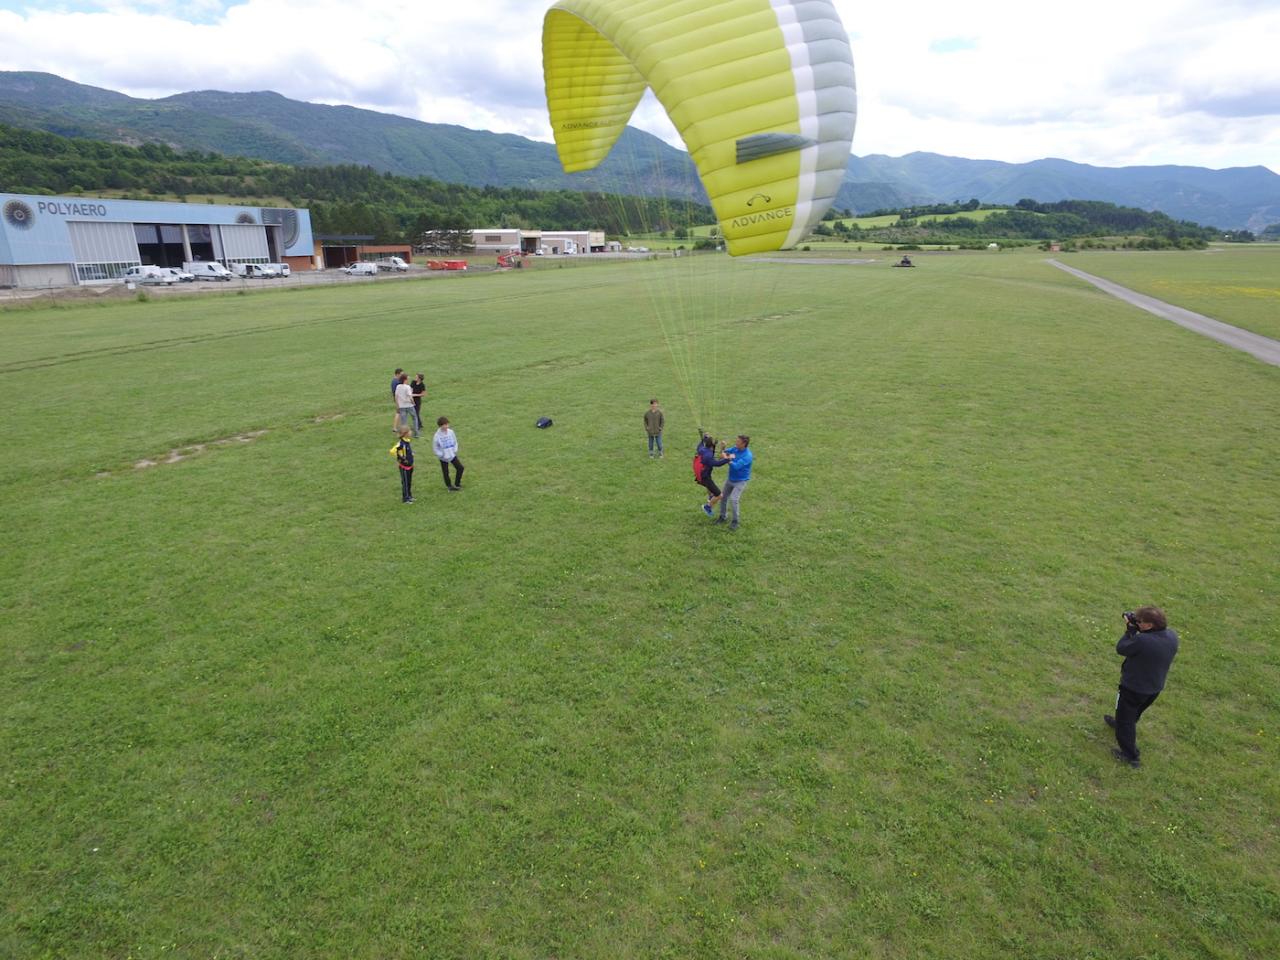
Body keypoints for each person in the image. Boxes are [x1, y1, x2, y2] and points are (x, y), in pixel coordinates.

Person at [1105, 606, 1179, 768]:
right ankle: (1120, 723)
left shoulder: (1142, 640)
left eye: (1140, 621)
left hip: (1133, 688)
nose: (1136, 622)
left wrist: (1130, 631)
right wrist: (1137, 628)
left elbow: (1122, 648)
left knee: (1126, 721)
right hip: (1154, 688)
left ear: (1149, 625)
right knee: (1134, 713)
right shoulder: (1172, 636)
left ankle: (1130, 755)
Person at [715, 434, 753, 530]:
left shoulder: (747, 456)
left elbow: (736, 467)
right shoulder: (735, 449)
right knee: (722, 497)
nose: (736, 443)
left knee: (734, 499)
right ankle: (722, 517)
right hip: (730, 479)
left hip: (740, 481)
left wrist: (727, 458)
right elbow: (724, 453)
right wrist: (723, 448)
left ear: (744, 444)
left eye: (738, 442)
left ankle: (735, 521)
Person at [695, 433, 730, 517]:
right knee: (719, 495)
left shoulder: (702, 449)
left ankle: (710, 497)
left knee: (709, 486)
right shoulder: (708, 455)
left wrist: (704, 438)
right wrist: (727, 459)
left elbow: (700, 444)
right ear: (712, 445)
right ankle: (707, 507)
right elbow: (717, 463)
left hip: (701, 474)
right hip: (705, 477)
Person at [433, 416, 464, 491]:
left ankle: (457, 483)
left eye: (447, 424)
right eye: (444, 425)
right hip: (443, 457)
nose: (446, 426)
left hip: (452, 454)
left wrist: (454, 450)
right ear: (440, 426)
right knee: (446, 472)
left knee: (460, 468)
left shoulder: (451, 432)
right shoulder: (437, 436)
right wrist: (441, 455)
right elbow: (435, 448)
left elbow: (455, 441)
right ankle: (449, 486)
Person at [390, 427, 414, 503]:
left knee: (409, 481)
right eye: (409, 431)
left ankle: (409, 496)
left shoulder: (407, 441)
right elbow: (392, 451)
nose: (411, 432)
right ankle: (405, 498)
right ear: (405, 434)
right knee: (405, 482)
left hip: (410, 465)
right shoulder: (401, 443)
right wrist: (401, 458)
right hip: (404, 467)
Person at [390, 367, 404, 431]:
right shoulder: (396, 382)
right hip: (398, 399)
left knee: (400, 413)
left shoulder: (394, 380)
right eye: (401, 374)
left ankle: (398, 426)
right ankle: (395, 427)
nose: (402, 375)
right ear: (397, 374)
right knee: (398, 413)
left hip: (397, 399)